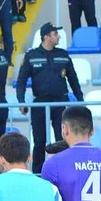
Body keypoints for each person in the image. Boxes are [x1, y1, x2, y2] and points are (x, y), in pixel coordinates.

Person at [15, 23, 83, 168]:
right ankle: (38, 173)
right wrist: (21, 101)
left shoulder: (63, 54)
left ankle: (65, 169)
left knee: (63, 139)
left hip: (60, 103)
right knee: (39, 141)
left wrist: (80, 100)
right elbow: (21, 81)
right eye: (55, 34)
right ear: (46, 37)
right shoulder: (31, 56)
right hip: (40, 103)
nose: (58, 37)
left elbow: (73, 79)